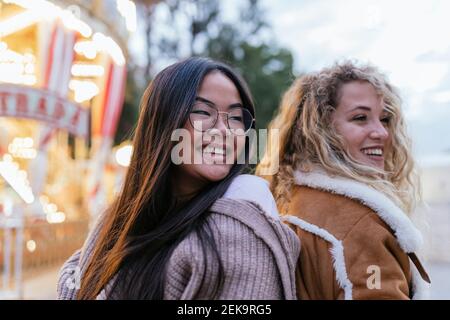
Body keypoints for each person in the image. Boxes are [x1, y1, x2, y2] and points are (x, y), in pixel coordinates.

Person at [57, 57, 299, 300]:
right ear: (163, 123)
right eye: (203, 112)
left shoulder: (240, 232)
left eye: (236, 118)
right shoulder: (116, 221)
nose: (225, 131)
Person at [257, 61, 430, 300]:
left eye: (386, 119)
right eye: (360, 118)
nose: (381, 132)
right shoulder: (362, 224)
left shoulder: (290, 199)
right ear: (320, 128)